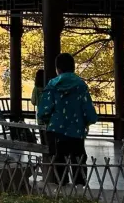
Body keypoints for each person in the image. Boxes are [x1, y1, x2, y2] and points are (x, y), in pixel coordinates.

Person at [37, 53, 97, 186]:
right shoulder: (81, 85)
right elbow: (88, 109)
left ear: (57, 68)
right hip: (77, 129)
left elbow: (43, 111)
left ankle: (61, 187)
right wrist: (88, 121)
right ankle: (80, 188)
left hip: (56, 130)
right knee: (78, 158)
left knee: (59, 159)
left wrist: (49, 119)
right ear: (73, 67)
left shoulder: (52, 85)